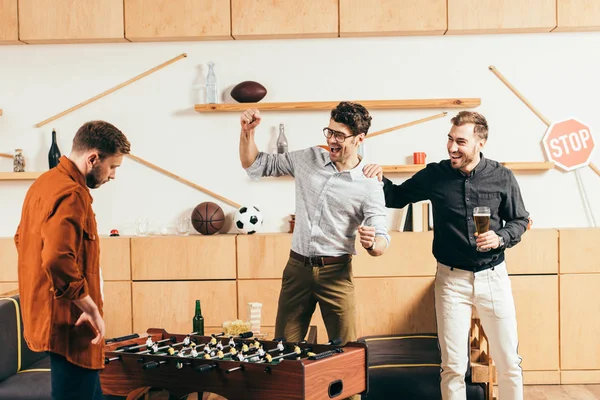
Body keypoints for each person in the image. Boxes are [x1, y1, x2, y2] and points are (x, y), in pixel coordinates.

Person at [363, 111, 528, 400]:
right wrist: (379, 179)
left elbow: (520, 221)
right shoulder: (435, 175)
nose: (452, 147)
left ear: (481, 142)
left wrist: (500, 237)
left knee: (509, 364)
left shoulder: (502, 177)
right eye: (450, 139)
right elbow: (397, 196)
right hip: (451, 282)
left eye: (460, 141)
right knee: (452, 367)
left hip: (493, 278)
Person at [239, 102, 391, 350]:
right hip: (297, 269)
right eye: (329, 131)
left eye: (340, 135)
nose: (332, 139)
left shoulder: (369, 183)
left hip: (336, 275)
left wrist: (373, 244)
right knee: (283, 353)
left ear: (359, 139)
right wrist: (248, 132)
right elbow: (254, 164)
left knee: (346, 355)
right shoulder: (308, 158)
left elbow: (382, 236)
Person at [15, 121, 131, 400]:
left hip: (53, 320)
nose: (113, 175)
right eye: (112, 166)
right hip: (71, 325)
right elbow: (56, 258)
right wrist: (89, 306)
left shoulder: (44, 183)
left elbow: (22, 240)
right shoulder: (72, 193)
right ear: (92, 158)